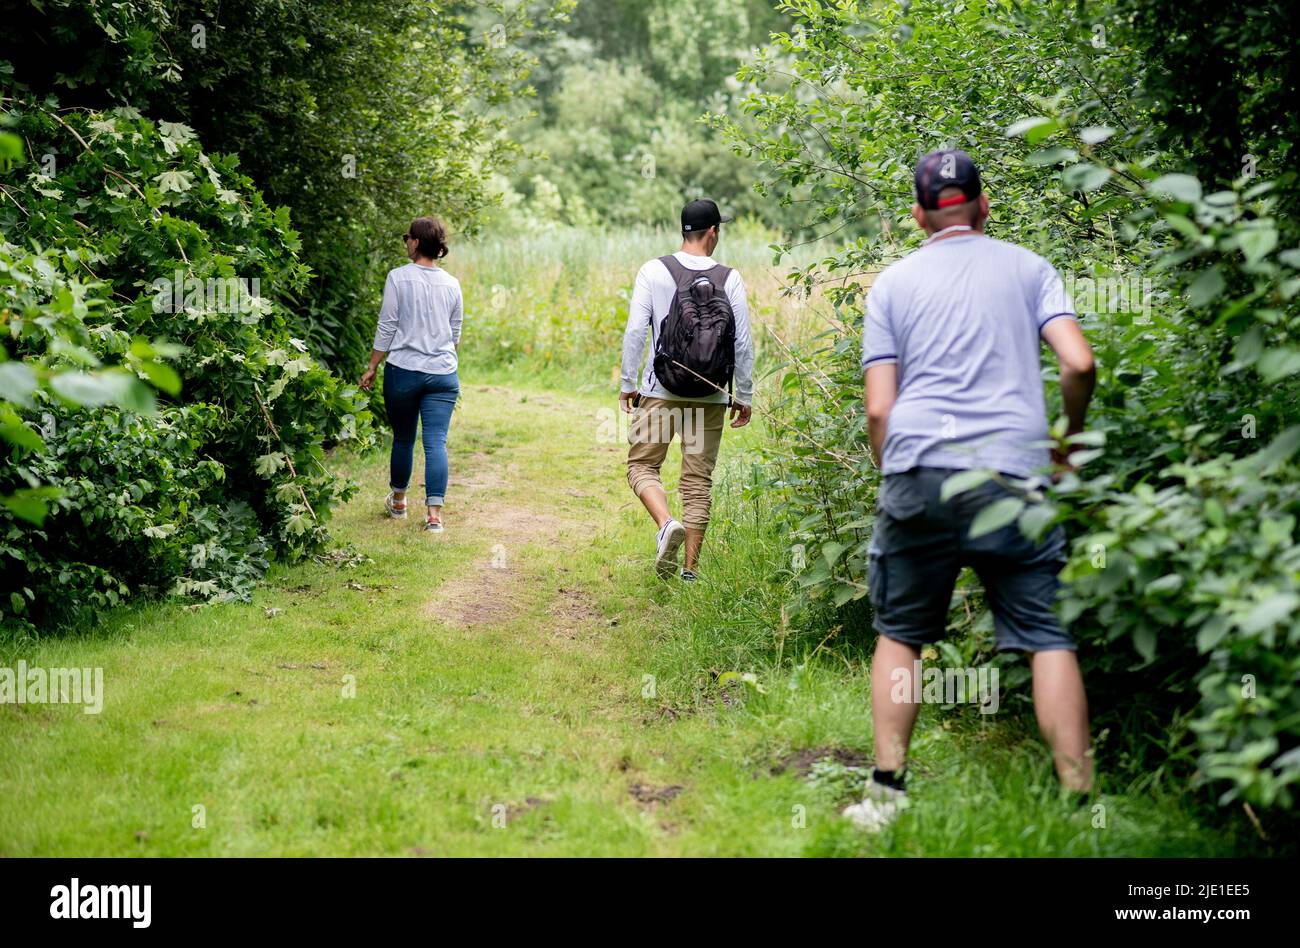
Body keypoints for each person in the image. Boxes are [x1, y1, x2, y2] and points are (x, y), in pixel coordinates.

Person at [843, 149, 1098, 831]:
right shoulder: (1028, 268)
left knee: (901, 632)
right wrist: (1066, 446)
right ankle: (1079, 804)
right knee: (1047, 635)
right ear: (985, 206)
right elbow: (1078, 361)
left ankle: (886, 794)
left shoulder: (893, 284)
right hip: (1015, 475)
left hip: (920, 471)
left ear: (920, 215)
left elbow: (877, 410)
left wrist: (893, 470)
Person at [619, 199, 754, 581]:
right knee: (697, 481)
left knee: (643, 466)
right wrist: (742, 394)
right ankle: (690, 574)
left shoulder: (654, 270)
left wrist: (629, 383)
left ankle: (665, 525)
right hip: (709, 394)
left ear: (685, 231)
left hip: (660, 389)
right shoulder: (730, 277)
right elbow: (742, 341)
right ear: (712, 231)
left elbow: (635, 330)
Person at [359, 216, 463, 533]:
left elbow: (388, 325)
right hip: (443, 373)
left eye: (408, 238)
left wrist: (373, 365)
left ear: (416, 242)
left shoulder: (398, 278)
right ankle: (434, 516)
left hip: (404, 371)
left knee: (404, 437)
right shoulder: (452, 283)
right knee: (436, 443)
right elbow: (454, 332)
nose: (406, 242)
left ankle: (400, 501)